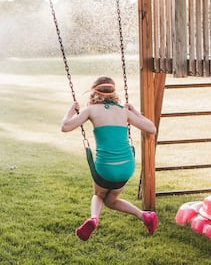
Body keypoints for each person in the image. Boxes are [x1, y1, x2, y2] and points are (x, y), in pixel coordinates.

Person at [61, 76, 157, 241]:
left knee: (99, 195)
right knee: (111, 201)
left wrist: (70, 111)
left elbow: (65, 127)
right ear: (113, 93)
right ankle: (145, 217)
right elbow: (151, 128)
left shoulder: (90, 110)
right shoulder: (123, 110)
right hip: (127, 166)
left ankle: (93, 218)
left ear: (93, 94)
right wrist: (134, 111)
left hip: (106, 168)